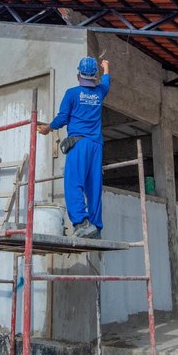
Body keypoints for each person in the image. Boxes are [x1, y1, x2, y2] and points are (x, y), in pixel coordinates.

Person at [37, 56, 110, 238]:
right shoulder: (100, 92)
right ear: (95, 77)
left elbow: (62, 118)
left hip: (79, 144)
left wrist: (47, 128)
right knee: (93, 186)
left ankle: (81, 223)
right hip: (96, 145)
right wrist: (106, 67)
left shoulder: (72, 94)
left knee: (73, 182)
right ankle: (96, 228)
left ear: (79, 75)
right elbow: (107, 81)